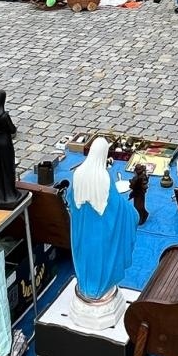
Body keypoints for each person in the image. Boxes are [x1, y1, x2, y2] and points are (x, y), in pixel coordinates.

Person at [67, 137, 139, 329]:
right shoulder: (104, 178)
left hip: (82, 231)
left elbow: (69, 199)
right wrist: (133, 214)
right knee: (101, 261)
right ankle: (100, 289)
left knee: (85, 260)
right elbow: (117, 207)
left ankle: (86, 288)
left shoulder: (78, 173)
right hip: (101, 233)